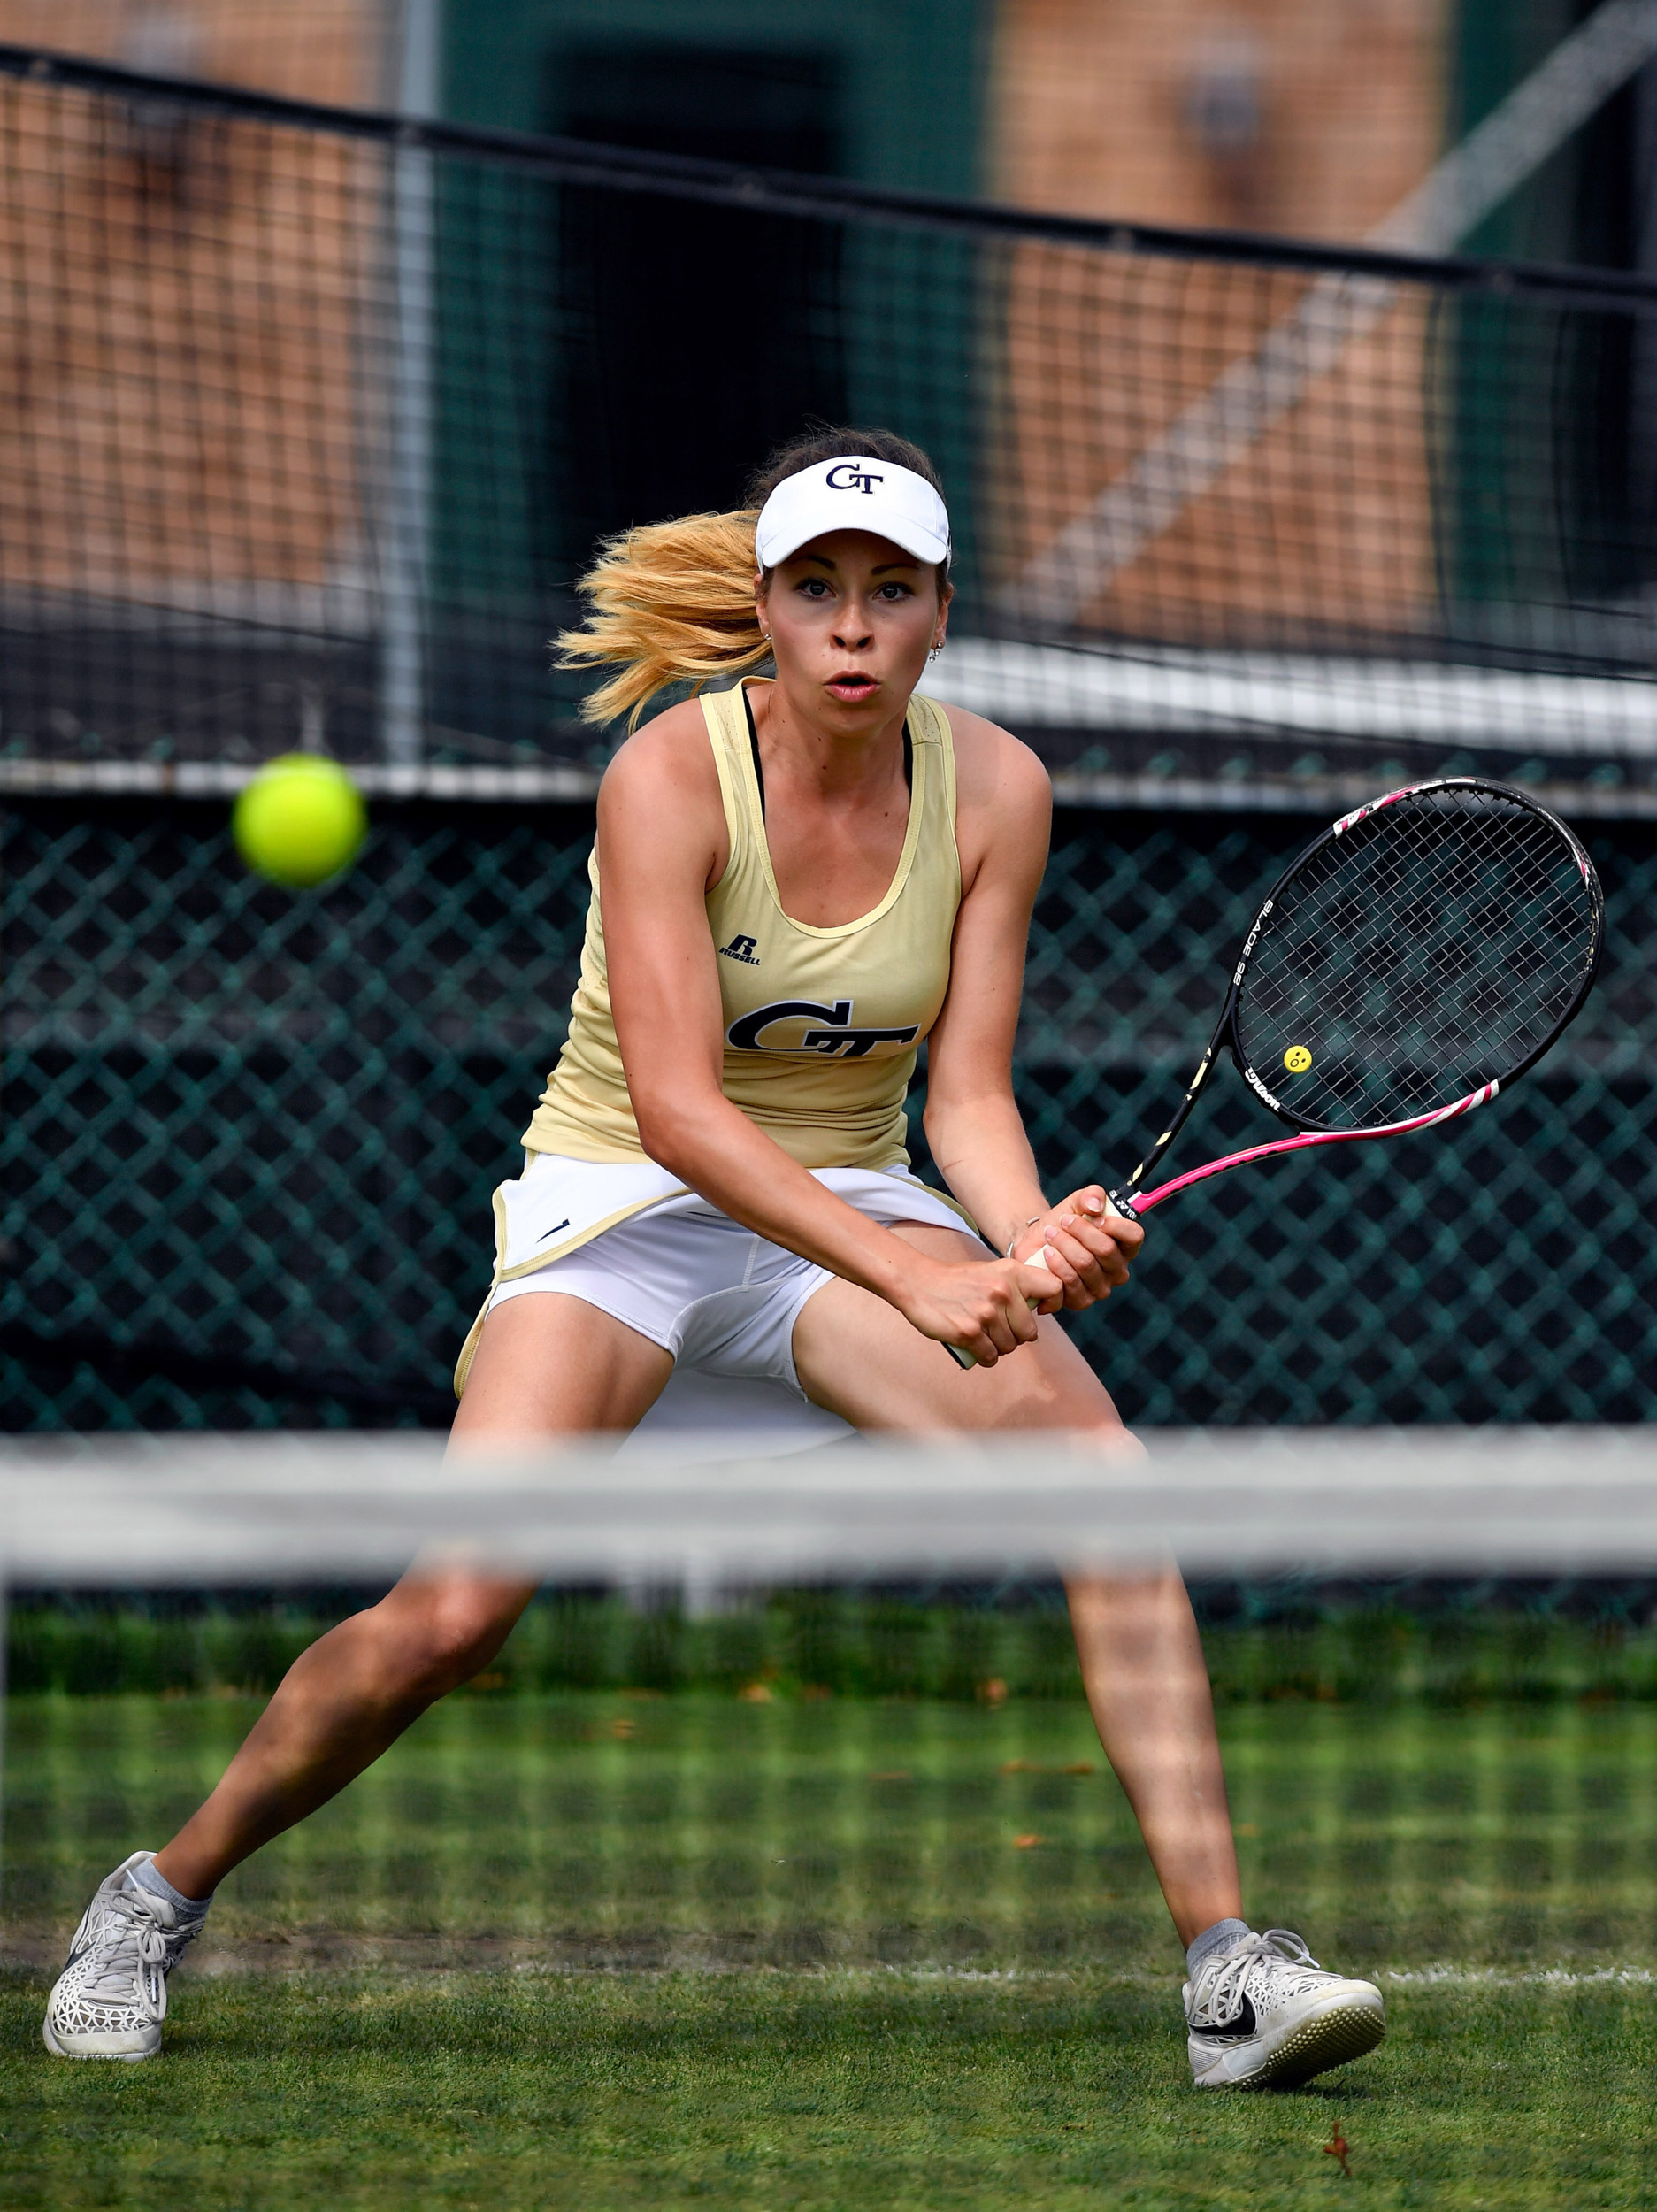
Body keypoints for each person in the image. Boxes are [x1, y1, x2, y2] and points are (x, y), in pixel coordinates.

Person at [43, 429, 1384, 2090]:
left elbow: (961, 1087)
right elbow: (677, 1111)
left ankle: (1226, 1975)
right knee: (456, 1610)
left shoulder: (1001, 791)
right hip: (623, 1209)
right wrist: (918, 1278)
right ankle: (155, 1898)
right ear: (762, 606)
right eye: (815, 588)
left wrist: (1019, 1232)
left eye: (886, 593)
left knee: (1106, 1494)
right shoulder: (668, 778)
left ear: (939, 616)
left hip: (847, 1196)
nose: (847, 626)